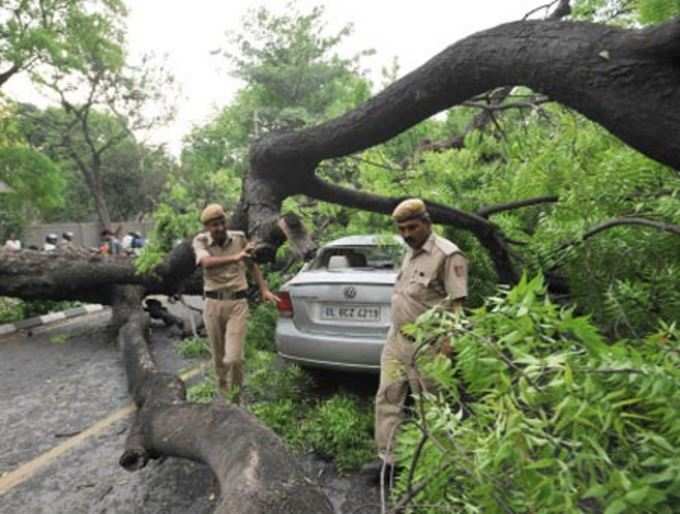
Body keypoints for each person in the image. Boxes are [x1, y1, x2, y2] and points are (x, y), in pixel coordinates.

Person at [364, 198, 468, 483]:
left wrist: (447, 346)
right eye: (401, 229)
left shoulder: (448, 255)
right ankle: (389, 462)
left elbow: (457, 307)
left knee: (431, 405)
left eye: (412, 227)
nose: (407, 234)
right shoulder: (409, 252)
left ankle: (435, 468)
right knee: (388, 397)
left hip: (428, 346)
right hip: (396, 340)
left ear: (427, 223)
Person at [192, 203, 280, 401]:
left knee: (234, 358)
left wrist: (264, 289)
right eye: (214, 225)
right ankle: (225, 400)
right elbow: (205, 262)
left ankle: (236, 398)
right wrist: (235, 257)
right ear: (207, 227)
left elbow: (251, 265)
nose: (220, 227)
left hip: (237, 304)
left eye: (222, 222)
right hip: (213, 305)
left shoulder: (239, 238)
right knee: (219, 360)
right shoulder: (200, 241)